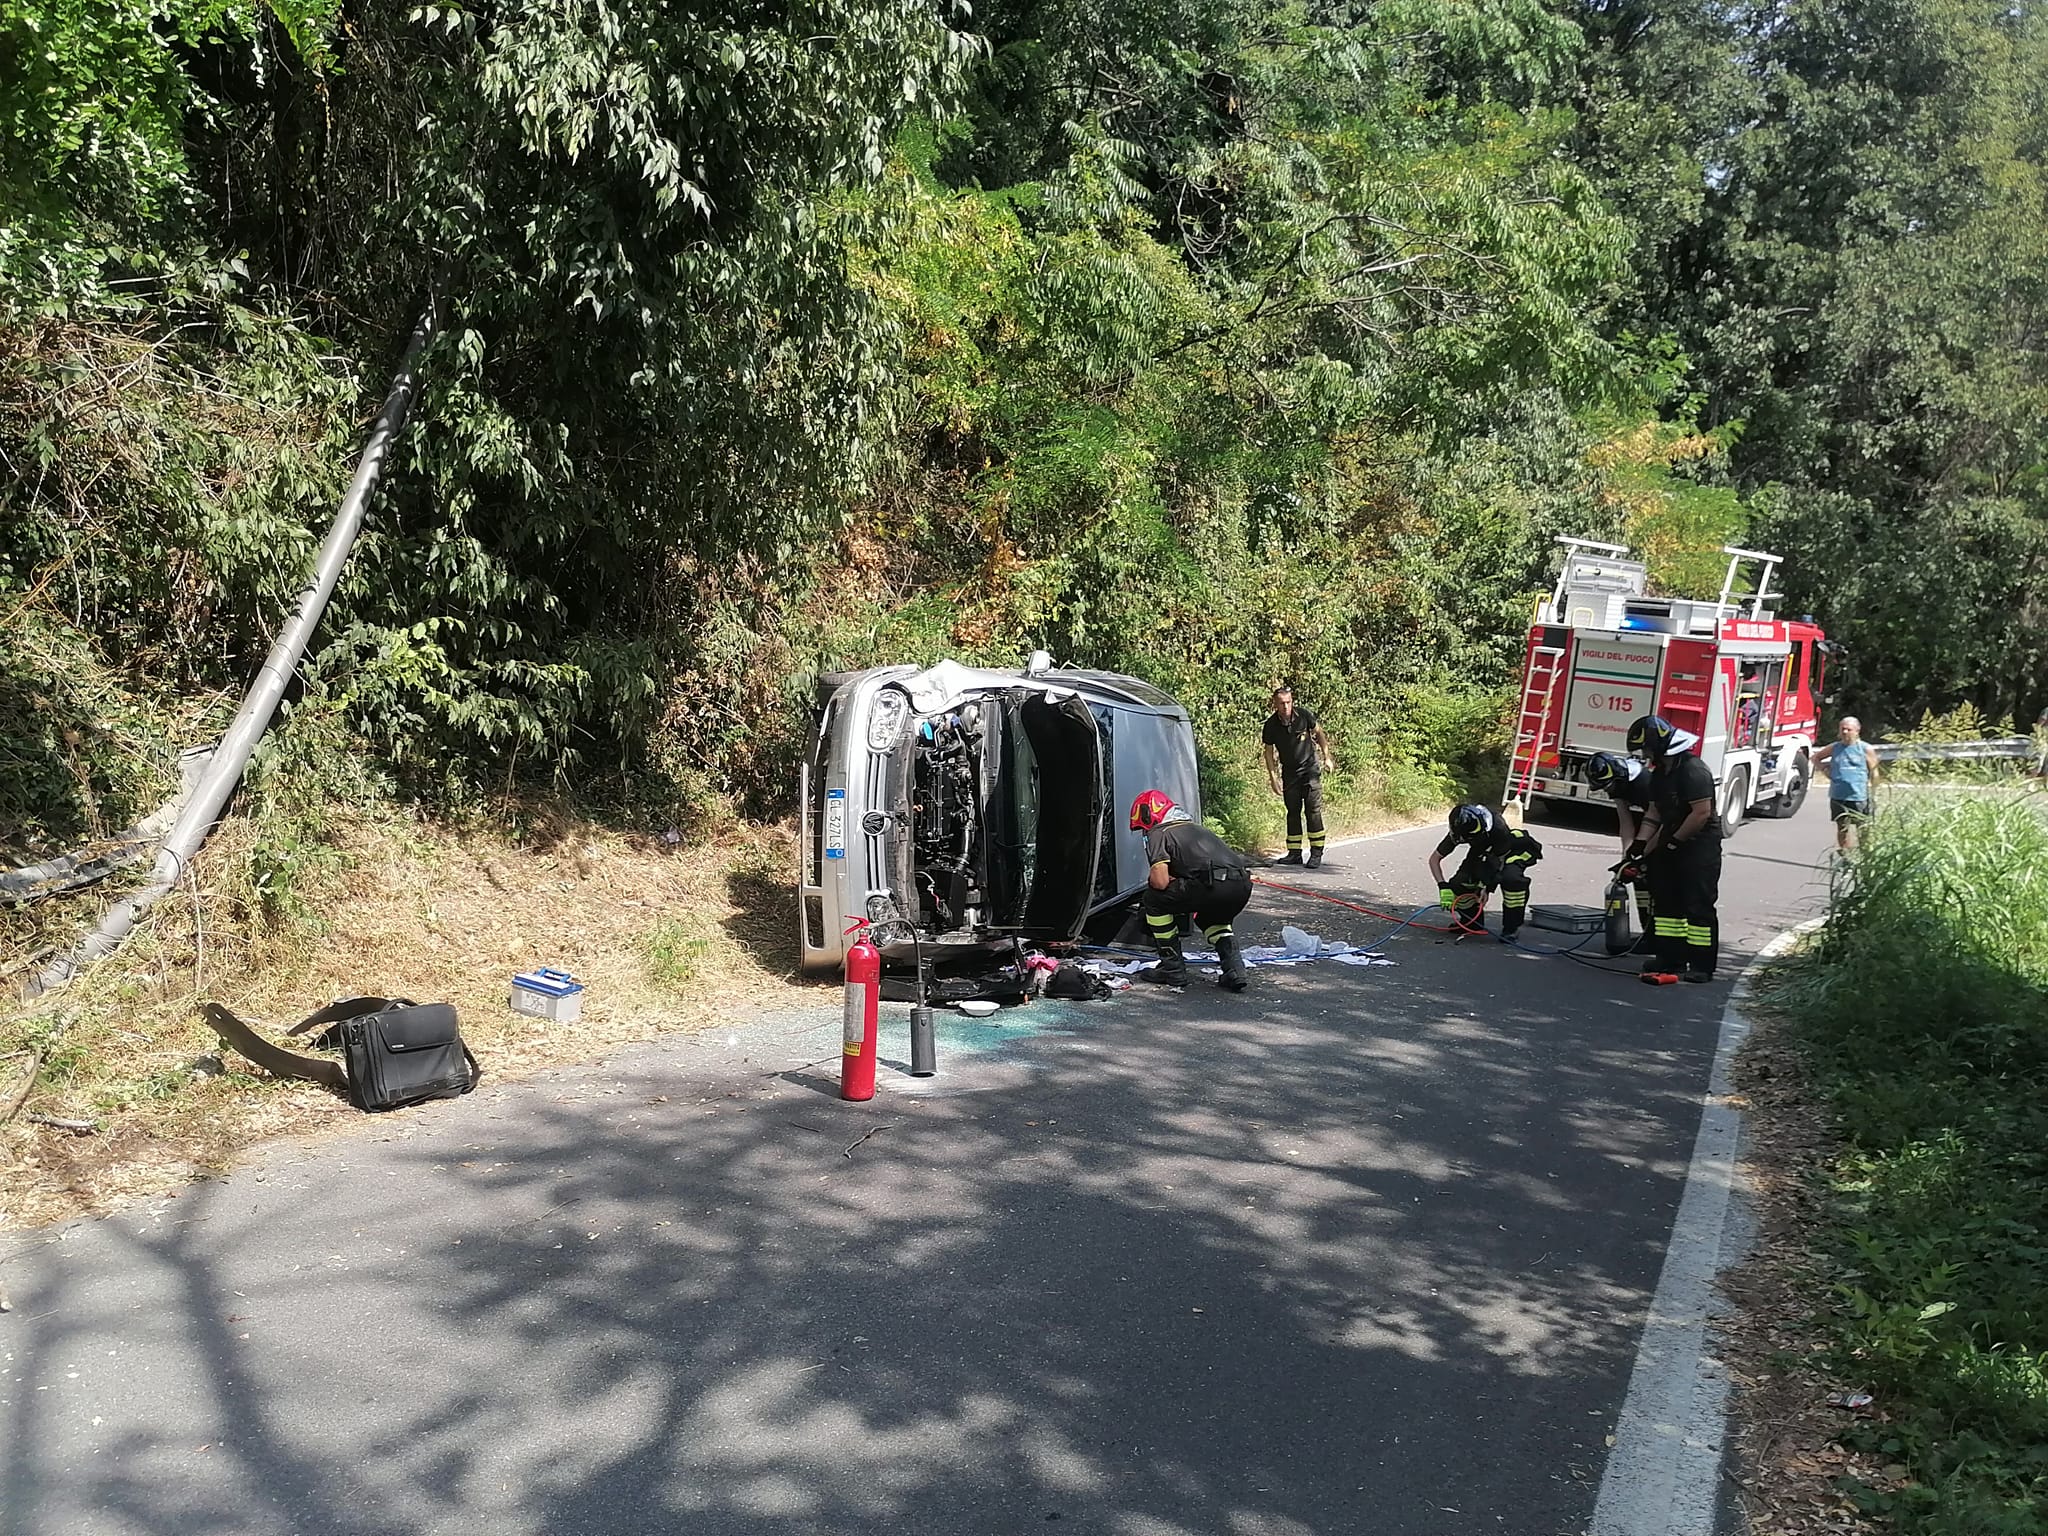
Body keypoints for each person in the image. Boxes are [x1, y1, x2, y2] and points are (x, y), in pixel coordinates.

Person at [1627, 714, 1721, 982]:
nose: (1644, 754)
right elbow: (1654, 813)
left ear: (1657, 744)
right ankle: (1671, 959)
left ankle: (1702, 965)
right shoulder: (1660, 774)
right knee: (1667, 902)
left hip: (1699, 847)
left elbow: (1701, 814)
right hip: (1672, 842)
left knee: (1697, 904)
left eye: (1646, 748)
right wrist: (1641, 844)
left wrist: (1673, 842)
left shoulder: (1694, 770)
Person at [1129, 789, 1252, 991]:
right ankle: (1235, 970)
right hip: (1240, 885)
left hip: (1209, 885)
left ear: (1148, 816)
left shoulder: (1158, 833)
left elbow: (1159, 882)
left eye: (1143, 828)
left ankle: (1172, 970)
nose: (1144, 833)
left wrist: (1158, 877)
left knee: (1153, 900)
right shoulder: (1196, 829)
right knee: (1211, 920)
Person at [1425, 804, 1542, 941]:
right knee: (1459, 884)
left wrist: (1486, 888)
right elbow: (1434, 859)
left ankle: (1511, 928)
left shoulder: (1498, 828)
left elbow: (1499, 862)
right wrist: (1443, 886)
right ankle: (1472, 923)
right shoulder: (1459, 830)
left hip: (1512, 850)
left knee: (1511, 879)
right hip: (1482, 852)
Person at [1585, 750, 1656, 951]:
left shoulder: (1644, 783)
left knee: (1658, 885)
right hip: (1647, 830)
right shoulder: (1616, 783)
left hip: (1663, 829)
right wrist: (1626, 857)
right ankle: (1649, 937)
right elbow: (1625, 821)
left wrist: (1642, 852)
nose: (1608, 791)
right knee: (1640, 881)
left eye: (1608, 786)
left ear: (1619, 777)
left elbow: (1656, 819)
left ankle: (1664, 940)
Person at [1261, 686, 1334, 867]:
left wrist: (1327, 757)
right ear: (1275, 704)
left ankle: (1316, 853)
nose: (1286, 707)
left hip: (1310, 771)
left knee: (1313, 811)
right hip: (1290, 773)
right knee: (1293, 813)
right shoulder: (1271, 725)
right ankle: (1294, 853)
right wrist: (1273, 777)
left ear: (1292, 702)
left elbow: (1319, 733)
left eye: (1288, 702)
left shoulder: (1303, 716)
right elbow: (1268, 753)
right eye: (1282, 703)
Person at [1813, 716, 1880, 851]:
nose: (1844, 732)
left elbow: (1875, 773)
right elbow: (1815, 758)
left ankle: (1865, 857)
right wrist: (1825, 770)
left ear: (1857, 731)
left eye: (1848, 729)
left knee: (1863, 829)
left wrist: (1873, 793)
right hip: (1838, 796)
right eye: (1842, 729)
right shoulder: (1835, 747)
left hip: (1859, 796)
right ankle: (1846, 857)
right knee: (1842, 829)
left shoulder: (1865, 749)